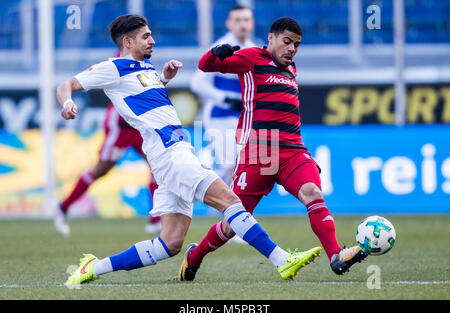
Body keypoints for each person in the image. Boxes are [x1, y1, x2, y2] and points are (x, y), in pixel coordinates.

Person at [60, 14, 321, 286]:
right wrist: (67, 102)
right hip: (170, 154)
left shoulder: (145, 68)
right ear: (127, 41)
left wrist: (164, 78)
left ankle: (93, 267)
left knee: (170, 244)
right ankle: (282, 259)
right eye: (146, 36)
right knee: (231, 202)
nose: (153, 40)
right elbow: (66, 84)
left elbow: (141, 95)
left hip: (173, 153)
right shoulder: (112, 68)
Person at [178, 17, 368, 281]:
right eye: (287, 41)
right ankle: (194, 256)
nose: (291, 49)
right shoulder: (251, 58)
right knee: (235, 221)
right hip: (258, 151)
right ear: (271, 38)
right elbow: (205, 65)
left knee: (313, 192)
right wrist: (215, 52)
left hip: (293, 150)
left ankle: (336, 256)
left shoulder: (292, 69)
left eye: (297, 45)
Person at [52, 101, 161, 237]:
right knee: (100, 170)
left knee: (157, 165)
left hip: (140, 123)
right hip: (120, 124)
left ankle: (156, 219)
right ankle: (63, 208)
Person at [190, 5, 255, 185]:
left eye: (246, 19)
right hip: (220, 115)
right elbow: (197, 83)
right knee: (231, 167)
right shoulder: (221, 49)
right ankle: (229, 208)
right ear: (229, 23)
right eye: (237, 20)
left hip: (242, 116)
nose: (242, 24)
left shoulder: (252, 48)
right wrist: (225, 99)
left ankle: (230, 207)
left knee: (243, 167)